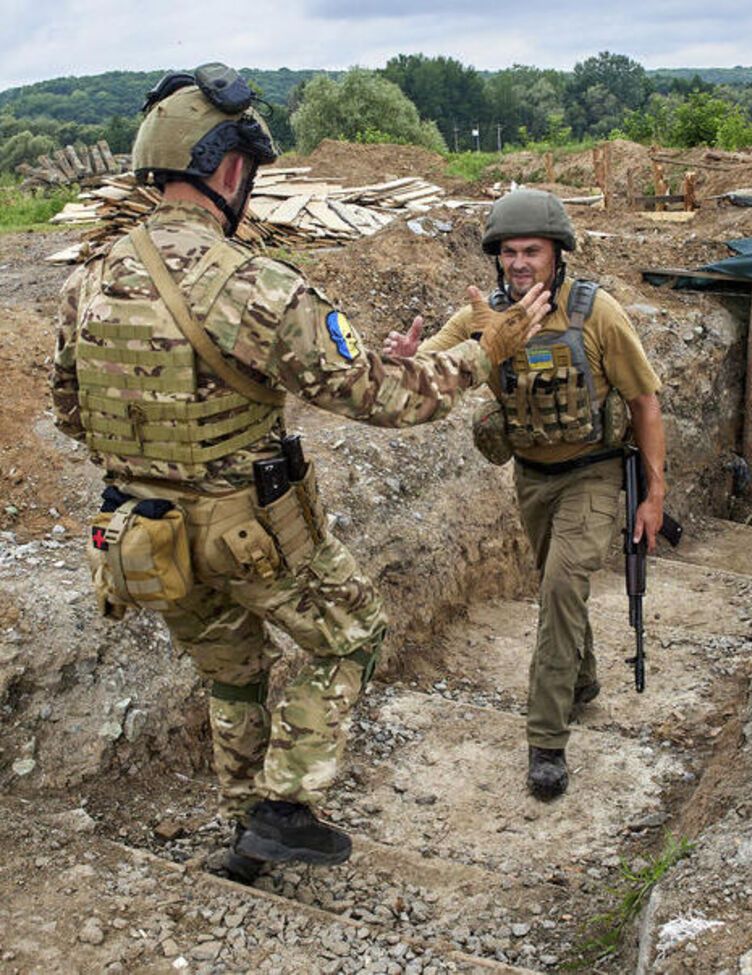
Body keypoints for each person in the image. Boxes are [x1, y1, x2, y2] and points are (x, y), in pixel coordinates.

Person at [49, 64, 549, 879]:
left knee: (231, 673)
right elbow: (392, 401)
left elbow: (71, 413)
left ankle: (247, 834)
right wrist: (483, 348)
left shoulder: (87, 280)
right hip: (250, 528)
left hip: (144, 534)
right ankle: (283, 807)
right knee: (351, 634)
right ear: (230, 169)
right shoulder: (259, 285)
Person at [384, 188, 667, 800]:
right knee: (556, 588)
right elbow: (429, 368)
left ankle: (546, 740)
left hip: (591, 473)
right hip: (532, 478)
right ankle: (582, 677)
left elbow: (644, 401)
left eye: (532, 251)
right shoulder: (483, 319)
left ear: (557, 255)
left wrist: (654, 493)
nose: (519, 263)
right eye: (509, 252)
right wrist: (406, 361)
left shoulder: (597, 313)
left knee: (562, 587)